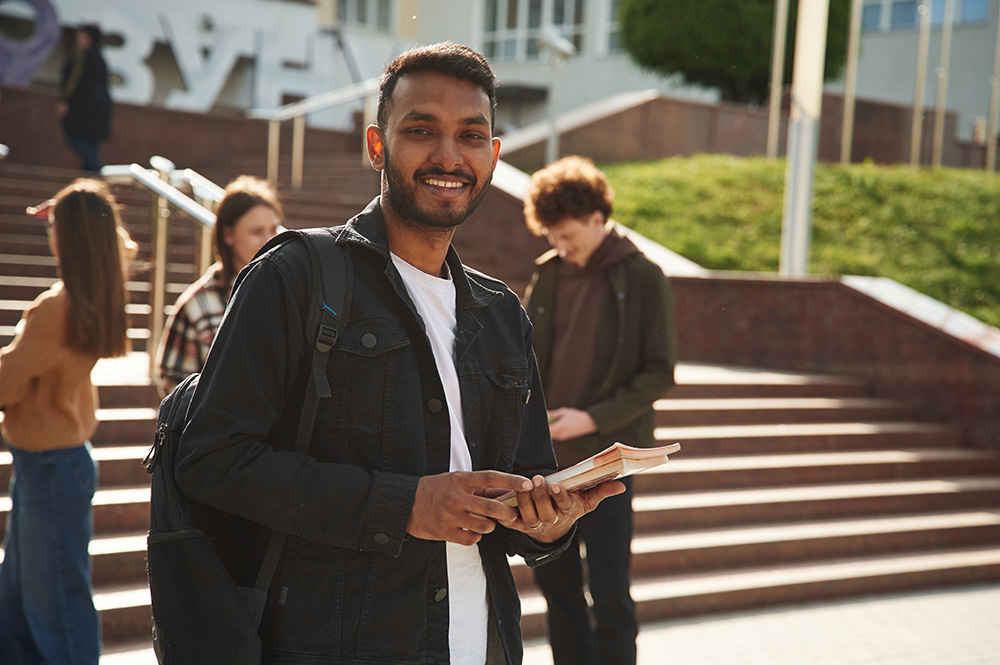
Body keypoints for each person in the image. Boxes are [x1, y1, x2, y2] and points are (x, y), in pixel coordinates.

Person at [173, 42, 624, 665]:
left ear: (493, 157)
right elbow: (211, 459)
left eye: (471, 135)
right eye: (420, 130)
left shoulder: (501, 316)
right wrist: (404, 505)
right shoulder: (295, 275)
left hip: (482, 645)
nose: (448, 155)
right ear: (377, 146)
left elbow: (524, 485)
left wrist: (550, 524)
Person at [522, 155, 678, 665]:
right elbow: (523, 363)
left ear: (597, 217)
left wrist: (592, 418)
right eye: (551, 237)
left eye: (568, 235)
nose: (560, 247)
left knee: (610, 589)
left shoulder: (643, 276)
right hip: (548, 462)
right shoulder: (546, 277)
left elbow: (659, 372)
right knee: (557, 588)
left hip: (608, 458)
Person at [0, 179, 135, 664]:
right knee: (14, 607)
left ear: (69, 236)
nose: (48, 230)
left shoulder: (54, 310)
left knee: (57, 606)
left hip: (50, 467)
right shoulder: (97, 292)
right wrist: (78, 207)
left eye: (55, 223)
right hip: (58, 462)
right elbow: (119, 245)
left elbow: (4, 385)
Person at [154, 175, 283, 395]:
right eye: (256, 231)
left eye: (273, 229)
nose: (269, 240)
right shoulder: (196, 303)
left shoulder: (288, 292)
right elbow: (172, 382)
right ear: (228, 234)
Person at [57, 24, 112, 173]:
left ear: (87, 37)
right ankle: (90, 178)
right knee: (89, 145)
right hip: (93, 114)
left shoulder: (84, 57)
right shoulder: (97, 57)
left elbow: (73, 81)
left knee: (78, 140)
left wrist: (65, 100)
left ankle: (95, 174)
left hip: (83, 113)